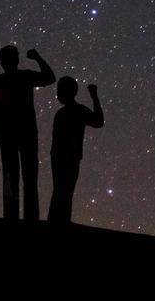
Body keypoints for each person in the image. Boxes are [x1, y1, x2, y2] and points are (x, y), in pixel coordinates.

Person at [0, 44, 55, 222]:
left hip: (10, 134)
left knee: (11, 176)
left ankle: (11, 216)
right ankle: (30, 218)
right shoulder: (24, 76)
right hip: (24, 132)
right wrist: (38, 57)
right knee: (28, 177)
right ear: (16, 59)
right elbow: (50, 77)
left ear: (2, 61)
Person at [48, 77, 103, 225]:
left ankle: (57, 220)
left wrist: (94, 96)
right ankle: (62, 220)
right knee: (65, 190)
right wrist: (94, 96)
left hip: (61, 157)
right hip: (69, 157)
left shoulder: (63, 113)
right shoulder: (79, 110)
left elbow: (98, 122)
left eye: (59, 91)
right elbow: (98, 121)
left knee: (60, 190)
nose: (57, 94)